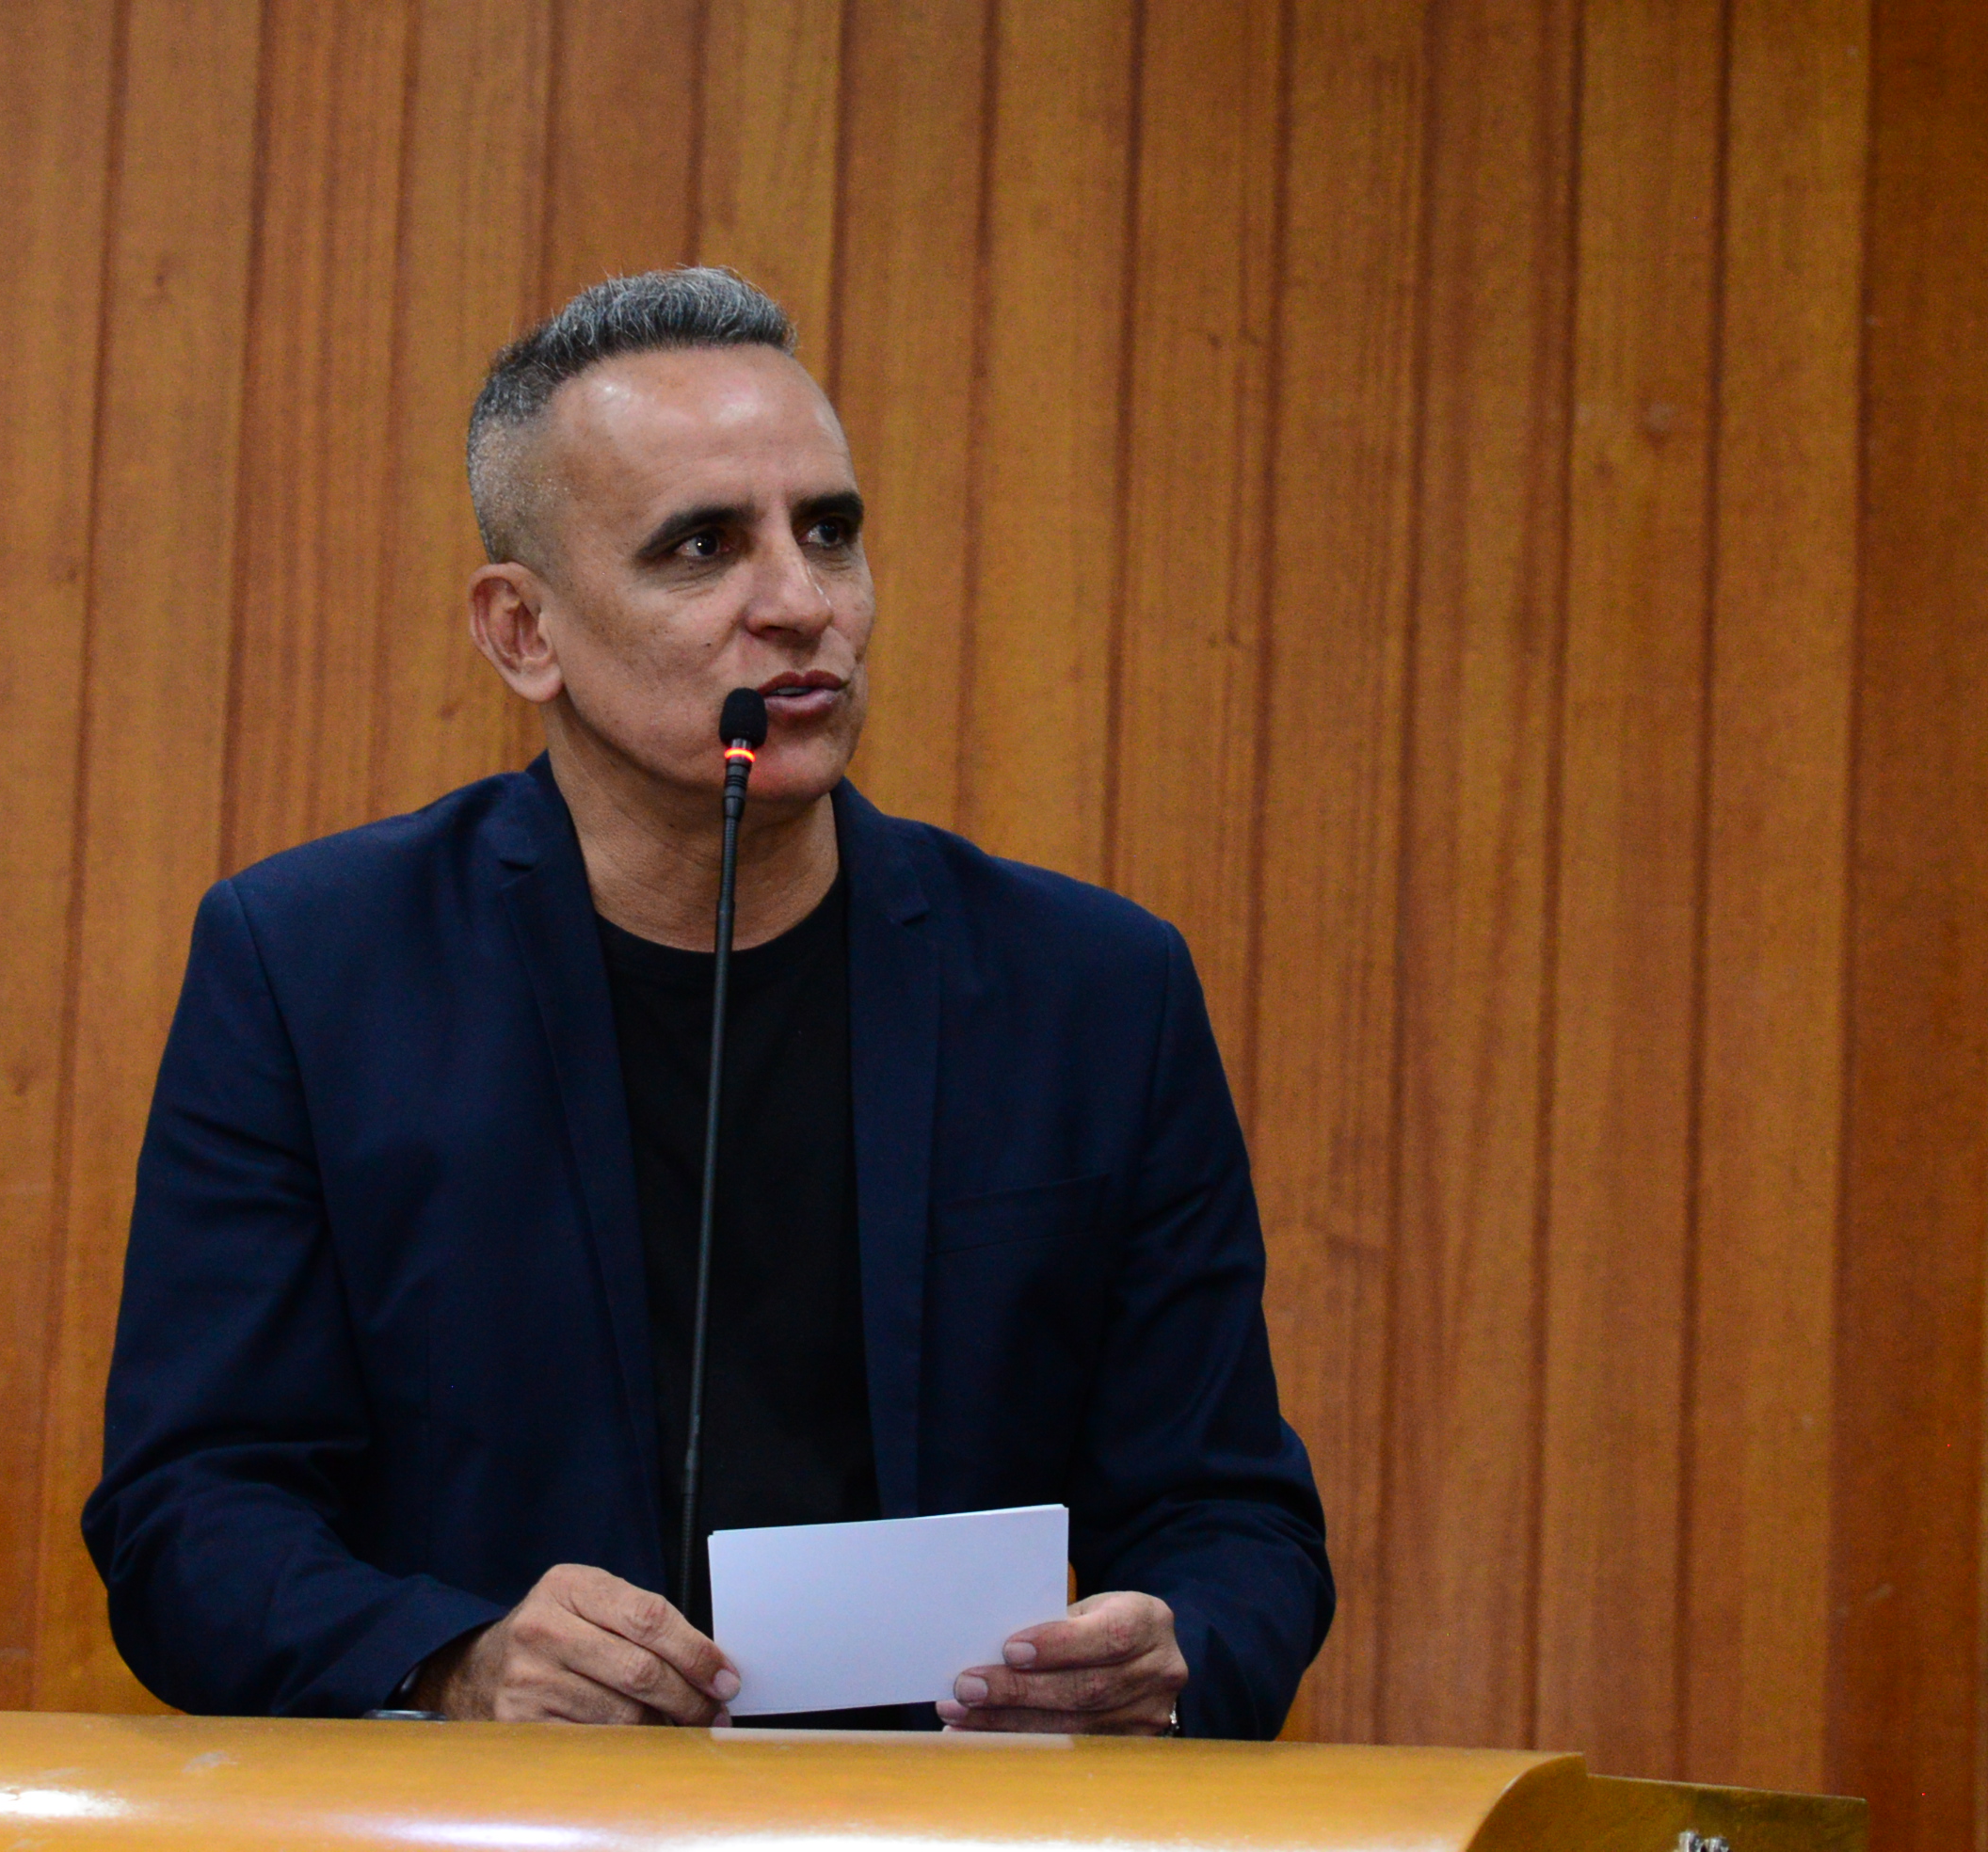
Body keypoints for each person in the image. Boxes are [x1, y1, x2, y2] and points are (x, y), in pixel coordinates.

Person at [84, 269, 1331, 1738]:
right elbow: (191, 1511)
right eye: (704, 547)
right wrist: (453, 1662)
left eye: (831, 532)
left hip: (941, 1821)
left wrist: (1170, 1656)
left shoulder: (1092, 993)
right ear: (523, 631)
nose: (802, 605)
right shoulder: (313, 967)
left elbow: (1234, 1519)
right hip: (505, 1823)